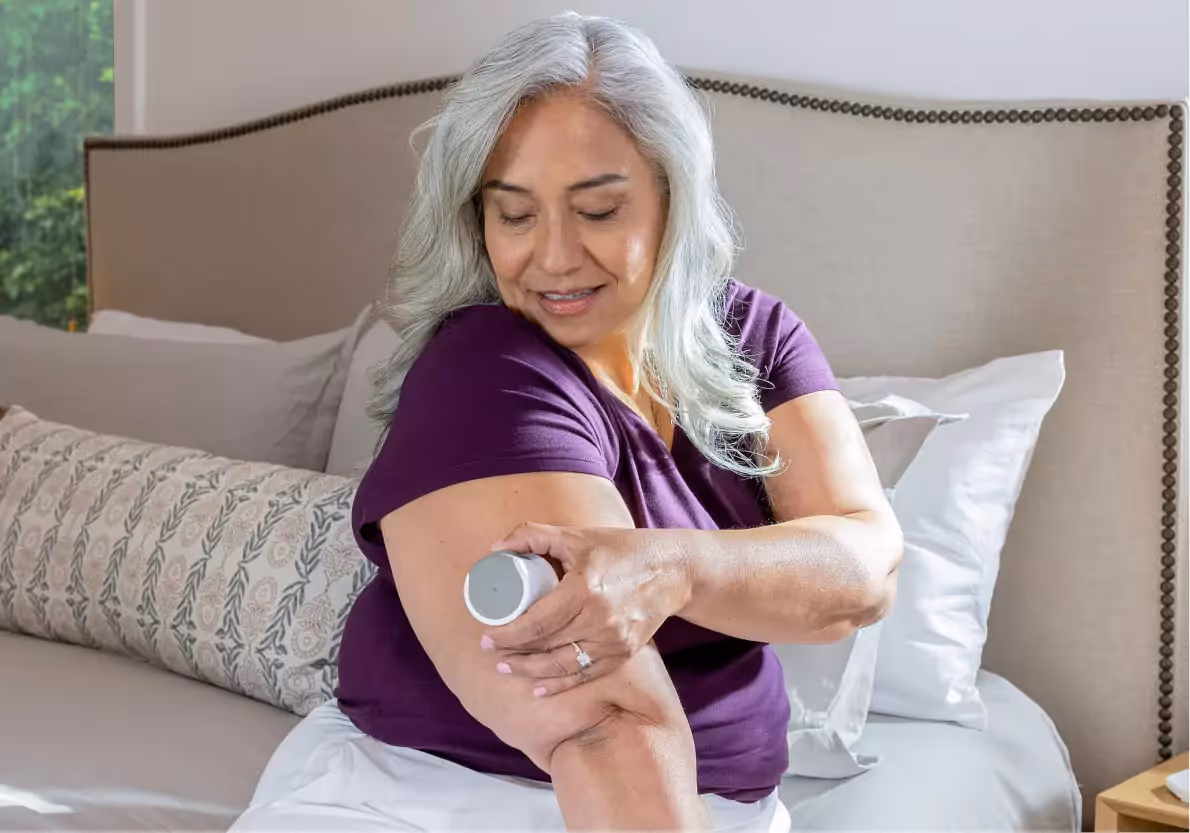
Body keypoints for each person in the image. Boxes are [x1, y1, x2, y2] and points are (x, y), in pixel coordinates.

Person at [231, 11, 901, 833]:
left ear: (671, 198)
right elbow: (605, 725)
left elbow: (864, 570)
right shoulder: (486, 370)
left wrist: (674, 568)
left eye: (598, 210)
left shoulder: (756, 337)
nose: (551, 257)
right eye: (513, 214)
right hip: (436, 796)